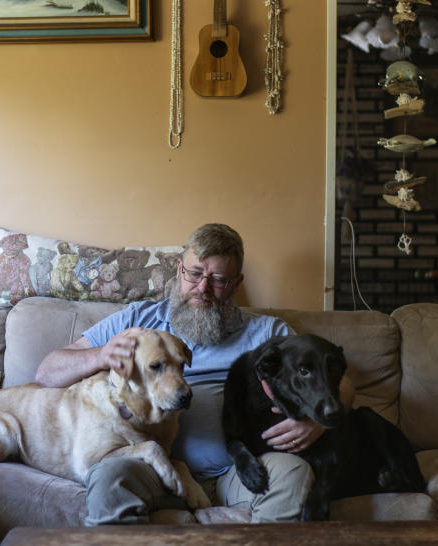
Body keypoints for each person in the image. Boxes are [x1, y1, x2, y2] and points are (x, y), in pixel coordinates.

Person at [35, 223, 355, 525]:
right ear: (179, 270)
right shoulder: (134, 320)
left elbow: (343, 385)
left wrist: (316, 423)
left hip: (241, 470)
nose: (203, 288)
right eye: (195, 273)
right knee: (110, 475)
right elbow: (47, 372)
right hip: (154, 467)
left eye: (218, 279)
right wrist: (101, 355)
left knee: (292, 473)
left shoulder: (269, 334)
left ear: (236, 283)